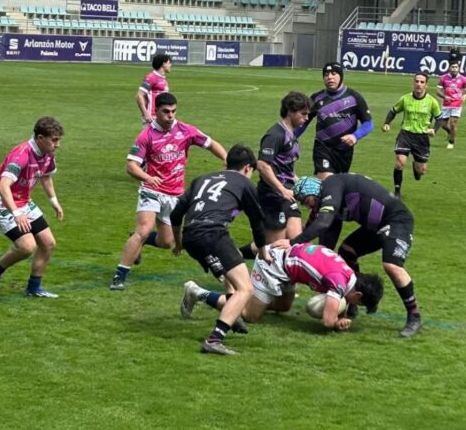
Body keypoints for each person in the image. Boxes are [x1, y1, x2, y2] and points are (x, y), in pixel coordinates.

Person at [278, 174, 424, 338]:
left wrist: (291, 243)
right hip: (376, 226)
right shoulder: (324, 200)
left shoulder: (331, 187)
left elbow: (323, 223)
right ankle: (351, 302)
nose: (307, 206)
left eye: (306, 201)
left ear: (314, 191)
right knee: (347, 252)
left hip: (397, 220)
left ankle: (414, 316)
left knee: (392, 265)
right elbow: (318, 237)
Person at [111, 92, 227, 290]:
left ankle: (141, 240)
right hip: (151, 190)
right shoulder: (146, 135)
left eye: (173, 111)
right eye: (166, 112)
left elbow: (210, 143)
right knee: (144, 229)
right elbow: (131, 166)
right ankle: (119, 276)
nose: (170, 115)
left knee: (167, 242)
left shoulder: (186, 130)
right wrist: (148, 178)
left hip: (175, 194)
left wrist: (226, 160)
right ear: (156, 111)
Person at [171, 144, 269, 356]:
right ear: (247, 169)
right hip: (212, 234)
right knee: (246, 289)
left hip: (191, 236)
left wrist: (178, 242)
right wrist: (264, 250)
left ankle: (233, 318)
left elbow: (176, 212)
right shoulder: (244, 183)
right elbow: (258, 223)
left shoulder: (202, 179)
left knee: (231, 272)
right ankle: (215, 339)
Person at [181, 243, 383, 335]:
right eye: (359, 303)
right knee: (249, 315)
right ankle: (197, 292)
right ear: (358, 294)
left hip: (289, 266)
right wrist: (338, 323)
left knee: (284, 307)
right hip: (274, 266)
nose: (355, 306)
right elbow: (327, 321)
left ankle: (249, 297)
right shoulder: (338, 282)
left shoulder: (348, 274)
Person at [0, 117, 65, 301]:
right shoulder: (21, 155)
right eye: (54, 140)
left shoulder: (47, 154)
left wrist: (54, 201)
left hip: (23, 201)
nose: (57, 145)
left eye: (59, 140)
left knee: (48, 243)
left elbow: (45, 176)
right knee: (27, 246)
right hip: (1, 204)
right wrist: (17, 214)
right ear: (40, 138)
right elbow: (4, 186)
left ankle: (34, 288)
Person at [238, 92, 311, 259]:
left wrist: (301, 187)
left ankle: (287, 284)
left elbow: (287, 169)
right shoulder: (275, 135)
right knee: (273, 247)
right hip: (272, 197)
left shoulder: (291, 134)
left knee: (296, 244)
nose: (307, 118)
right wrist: (281, 189)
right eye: (303, 113)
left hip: (288, 195)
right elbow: (263, 165)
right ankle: (233, 257)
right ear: (290, 111)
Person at [296, 61, 373, 180]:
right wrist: (290, 138)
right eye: (326, 74)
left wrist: (355, 136)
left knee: (337, 187)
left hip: (344, 151)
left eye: (334, 73)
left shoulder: (354, 97)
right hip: (322, 148)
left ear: (341, 76)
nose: (330, 77)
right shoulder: (317, 98)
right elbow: (303, 122)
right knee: (327, 181)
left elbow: (368, 123)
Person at [382, 72, 441, 197]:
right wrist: (387, 123)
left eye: (422, 82)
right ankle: (397, 191)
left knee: (421, 171)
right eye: (417, 81)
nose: (419, 84)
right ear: (413, 83)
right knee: (400, 162)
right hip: (406, 134)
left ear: (426, 85)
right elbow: (393, 111)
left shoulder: (432, 102)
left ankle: (417, 168)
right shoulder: (405, 98)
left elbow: (440, 118)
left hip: (422, 138)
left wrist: (434, 130)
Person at [435, 61, 466, 149]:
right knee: (443, 124)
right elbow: (438, 91)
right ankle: (450, 133)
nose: (454, 69)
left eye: (456, 67)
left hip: (457, 104)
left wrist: (465, 96)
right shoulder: (443, 78)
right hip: (446, 104)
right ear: (449, 68)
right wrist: (444, 97)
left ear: (458, 68)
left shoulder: (463, 79)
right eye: (452, 67)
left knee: (453, 124)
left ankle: (451, 142)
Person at [136, 53, 171, 125]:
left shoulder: (162, 78)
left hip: (161, 116)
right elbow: (139, 95)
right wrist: (146, 114)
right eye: (169, 63)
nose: (170, 65)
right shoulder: (151, 77)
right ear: (164, 64)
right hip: (152, 117)